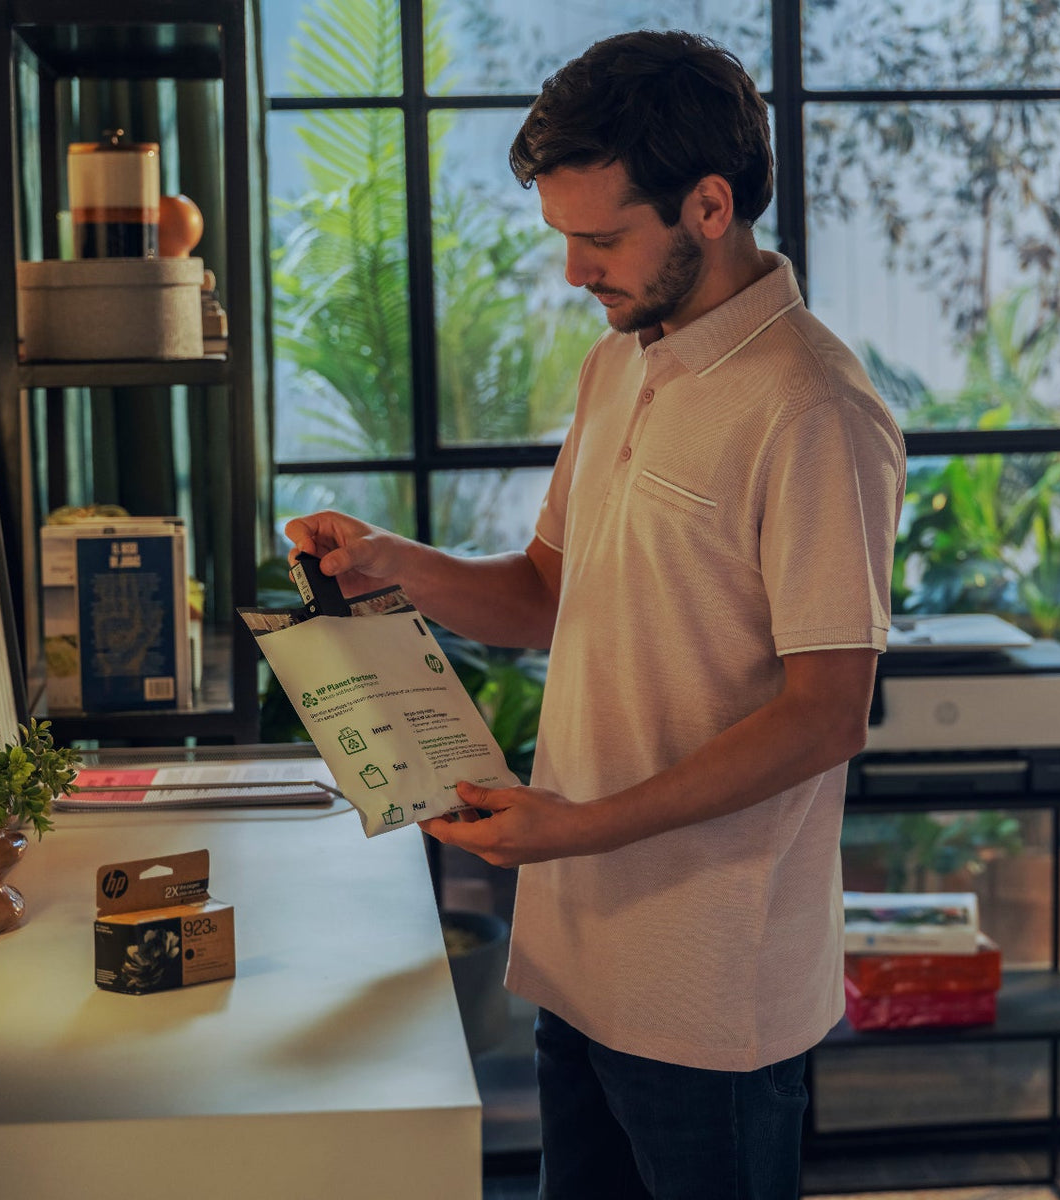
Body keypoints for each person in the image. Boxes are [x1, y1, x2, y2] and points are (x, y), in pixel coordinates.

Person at [285, 29, 906, 1200]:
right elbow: (548, 594)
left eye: (601, 238)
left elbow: (827, 717)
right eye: (564, 237)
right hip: (577, 953)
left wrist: (577, 826)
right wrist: (390, 563)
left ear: (710, 205)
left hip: (709, 988)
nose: (575, 271)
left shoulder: (812, 407)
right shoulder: (620, 362)